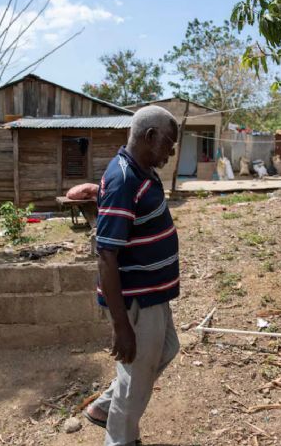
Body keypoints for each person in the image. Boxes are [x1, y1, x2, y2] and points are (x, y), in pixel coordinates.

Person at [83, 105, 181, 446]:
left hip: (153, 293)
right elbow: (106, 255)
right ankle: (120, 440)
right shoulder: (123, 179)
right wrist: (121, 326)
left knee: (167, 348)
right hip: (135, 299)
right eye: (169, 144)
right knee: (136, 381)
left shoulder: (143, 171)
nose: (171, 152)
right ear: (149, 136)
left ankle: (104, 406)